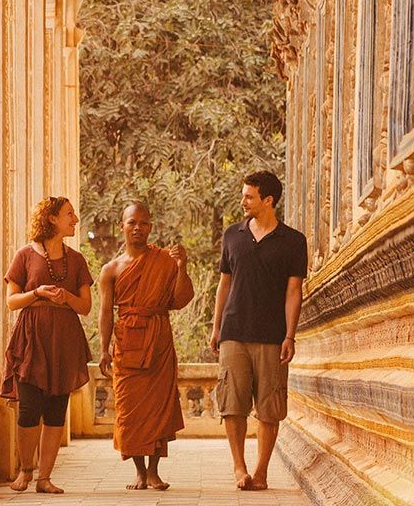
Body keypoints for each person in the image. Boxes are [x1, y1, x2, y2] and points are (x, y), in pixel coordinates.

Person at [209, 171, 307, 491]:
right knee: (232, 405)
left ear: (268, 200)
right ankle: (239, 468)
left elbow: (294, 292)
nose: (243, 201)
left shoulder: (294, 241)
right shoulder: (232, 235)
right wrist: (216, 327)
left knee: (270, 408)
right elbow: (224, 285)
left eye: (249, 196)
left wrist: (290, 335)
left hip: (272, 336)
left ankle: (261, 471)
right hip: (234, 331)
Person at [98, 202, 194, 491]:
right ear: (122, 227)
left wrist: (182, 266)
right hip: (127, 342)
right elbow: (105, 311)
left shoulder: (164, 260)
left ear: (150, 227)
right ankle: (139, 472)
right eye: (131, 223)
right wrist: (104, 349)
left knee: (158, 408)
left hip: (158, 339)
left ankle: (154, 471)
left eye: (143, 223)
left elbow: (178, 300)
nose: (137, 227)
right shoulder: (111, 269)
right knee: (129, 410)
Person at [1, 196, 94, 494]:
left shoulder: (77, 260)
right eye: (70, 214)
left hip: (64, 340)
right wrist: (37, 293)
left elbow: (86, 307)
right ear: (52, 218)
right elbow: (12, 301)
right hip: (32, 338)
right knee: (28, 408)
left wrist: (66, 298)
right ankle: (25, 470)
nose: (75, 219)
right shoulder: (25, 255)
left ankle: (45, 478)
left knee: (56, 410)